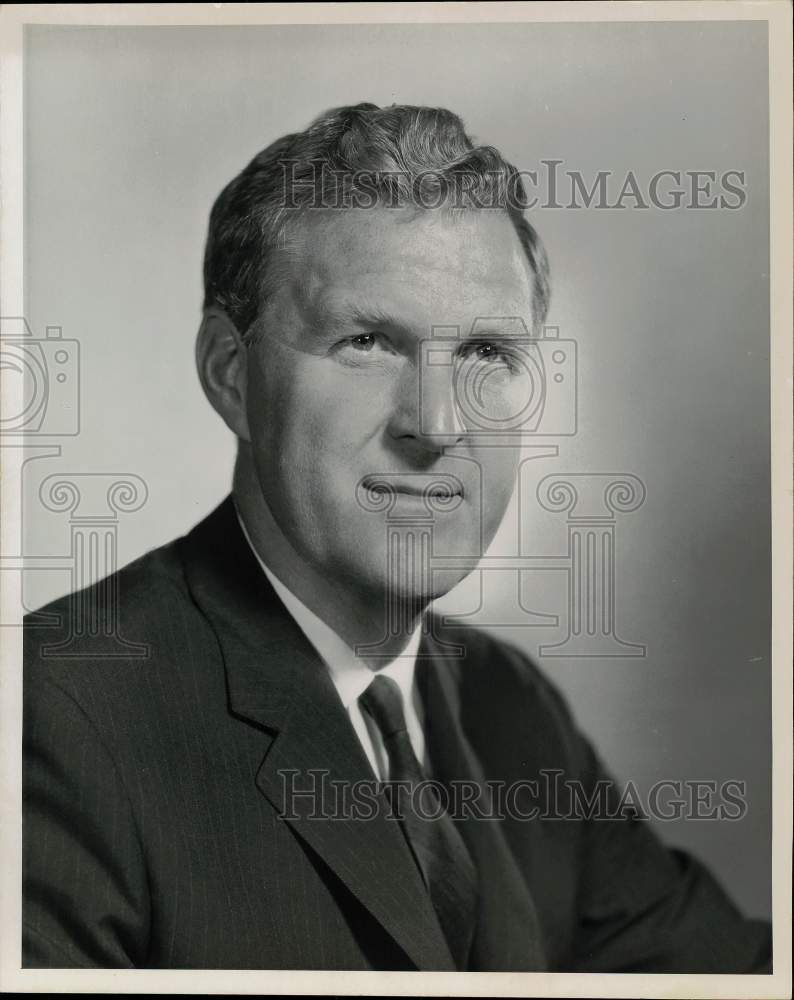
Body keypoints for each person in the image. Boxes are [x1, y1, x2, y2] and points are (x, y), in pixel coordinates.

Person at [23, 102, 771, 972]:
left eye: (488, 353)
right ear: (231, 375)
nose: (438, 423)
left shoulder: (507, 705)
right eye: (369, 341)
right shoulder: (58, 716)